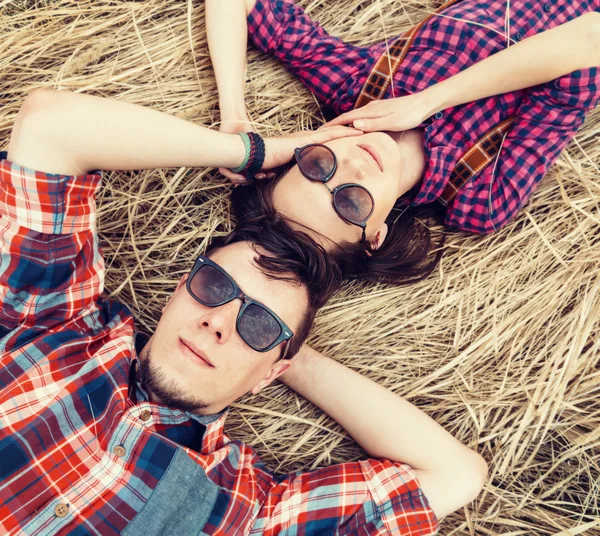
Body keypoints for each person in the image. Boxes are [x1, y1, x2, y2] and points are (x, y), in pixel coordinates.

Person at [0, 89, 486, 535]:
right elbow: (50, 126)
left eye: (258, 325)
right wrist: (252, 150)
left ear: (273, 373)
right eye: (214, 286)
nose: (218, 322)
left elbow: (453, 473)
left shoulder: (246, 513)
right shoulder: (49, 321)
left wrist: (288, 352)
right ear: (178, 288)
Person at [206, 0, 600, 283]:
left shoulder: (354, 84)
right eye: (350, 203)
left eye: (317, 167)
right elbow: (589, 39)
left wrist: (235, 115)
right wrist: (429, 102)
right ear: (376, 237)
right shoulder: (481, 197)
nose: (353, 167)